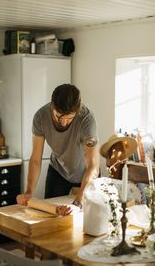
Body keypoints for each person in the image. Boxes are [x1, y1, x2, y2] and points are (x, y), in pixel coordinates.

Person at [17, 84, 100, 215]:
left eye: (70, 119)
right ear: (52, 106)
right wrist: (29, 192)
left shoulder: (86, 120)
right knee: (49, 215)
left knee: (85, 217)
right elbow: (35, 159)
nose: (64, 123)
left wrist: (78, 202)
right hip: (58, 171)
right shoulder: (40, 117)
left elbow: (93, 166)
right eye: (59, 117)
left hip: (86, 174)